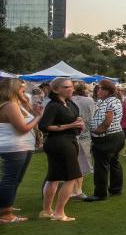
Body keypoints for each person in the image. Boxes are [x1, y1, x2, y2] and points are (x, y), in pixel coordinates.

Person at [38, 77, 84, 221]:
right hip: (60, 142)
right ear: (56, 89)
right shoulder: (54, 105)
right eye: (66, 87)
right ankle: (59, 213)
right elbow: (44, 126)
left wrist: (79, 123)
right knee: (71, 177)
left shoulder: (70, 103)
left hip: (67, 141)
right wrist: (70, 126)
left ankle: (47, 211)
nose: (70, 89)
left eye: (71, 86)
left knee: (54, 177)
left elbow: (75, 119)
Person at [0, 78, 42, 224]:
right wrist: (38, 117)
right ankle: (5, 213)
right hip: (14, 147)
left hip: (22, 146)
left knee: (15, 179)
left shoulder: (16, 104)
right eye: (22, 89)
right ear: (14, 90)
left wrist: (26, 103)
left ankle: (6, 205)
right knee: (10, 180)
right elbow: (22, 128)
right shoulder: (10, 105)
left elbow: (28, 118)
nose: (25, 91)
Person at [85, 79, 125, 202]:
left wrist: (98, 130)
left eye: (100, 88)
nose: (97, 91)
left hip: (106, 137)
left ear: (106, 91)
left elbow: (108, 119)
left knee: (101, 166)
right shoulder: (113, 100)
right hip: (116, 135)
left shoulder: (109, 102)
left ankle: (100, 194)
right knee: (114, 162)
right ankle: (116, 189)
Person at [69, 82, 96, 199]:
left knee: (71, 162)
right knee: (82, 162)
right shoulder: (89, 100)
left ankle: (73, 188)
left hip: (70, 134)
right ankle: (77, 190)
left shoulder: (69, 100)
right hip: (83, 134)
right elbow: (93, 116)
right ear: (85, 90)